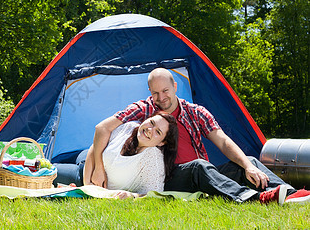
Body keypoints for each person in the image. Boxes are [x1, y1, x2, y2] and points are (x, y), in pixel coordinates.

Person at [89, 68, 310, 205]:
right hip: (169, 177)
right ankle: (253, 198)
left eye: (165, 91)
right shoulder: (145, 110)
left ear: (175, 87)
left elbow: (222, 141)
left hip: (204, 172)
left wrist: (248, 166)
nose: (161, 97)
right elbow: (102, 128)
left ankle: (290, 195)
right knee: (198, 166)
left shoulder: (196, 112)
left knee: (248, 162)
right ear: (150, 92)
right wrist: (99, 167)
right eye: (155, 93)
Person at [54, 111, 178, 199]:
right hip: (87, 159)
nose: (149, 130)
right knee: (50, 160)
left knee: (47, 171)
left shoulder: (153, 160)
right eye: (151, 122)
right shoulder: (129, 128)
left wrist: (132, 195)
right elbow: (95, 145)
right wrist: (89, 183)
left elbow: (153, 194)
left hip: (78, 176)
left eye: (157, 132)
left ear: (162, 142)